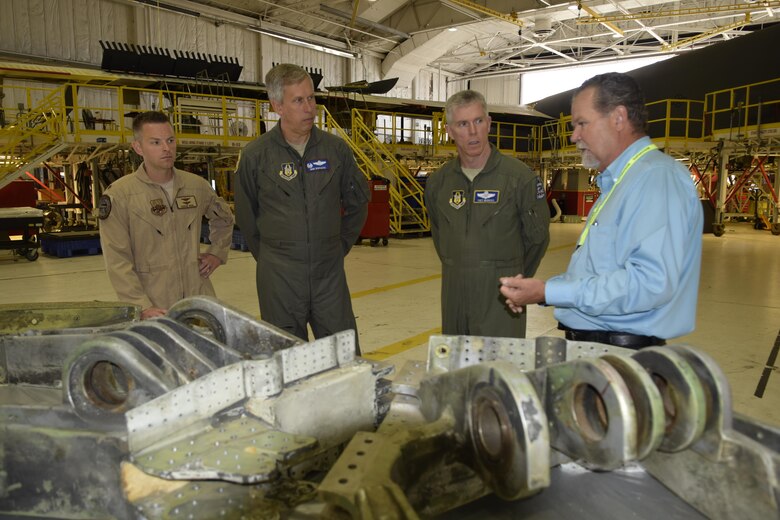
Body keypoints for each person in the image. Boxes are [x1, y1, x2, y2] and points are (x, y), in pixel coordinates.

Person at [499, 72, 703, 348]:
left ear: (618, 118)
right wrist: (543, 292)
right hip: (601, 349)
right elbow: (602, 272)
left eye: (582, 123)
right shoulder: (622, 182)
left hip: (621, 353)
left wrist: (549, 291)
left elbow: (649, 284)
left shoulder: (655, 179)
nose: (574, 136)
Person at [234, 64, 369, 348]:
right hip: (279, 276)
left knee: (343, 355)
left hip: (328, 274)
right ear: (277, 106)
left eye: (311, 98)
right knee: (286, 359)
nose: (310, 107)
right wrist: (274, 256)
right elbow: (247, 215)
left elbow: (358, 201)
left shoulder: (336, 150)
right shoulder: (255, 156)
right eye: (298, 100)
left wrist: (337, 245)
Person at [424, 90, 550, 338]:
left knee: (500, 369)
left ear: (489, 124)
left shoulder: (519, 178)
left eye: (478, 121)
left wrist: (514, 280)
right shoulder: (439, 182)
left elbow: (538, 239)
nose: (472, 132)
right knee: (459, 368)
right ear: (449, 131)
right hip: (454, 295)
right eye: (462, 124)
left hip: (501, 296)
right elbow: (440, 236)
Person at [98, 111, 234, 319]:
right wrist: (140, 306)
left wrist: (217, 252)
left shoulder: (196, 186)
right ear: (138, 147)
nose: (166, 148)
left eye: (170, 140)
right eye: (155, 142)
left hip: (198, 302)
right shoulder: (120, 195)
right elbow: (117, 260)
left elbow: (224, 218)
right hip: (155, 306)